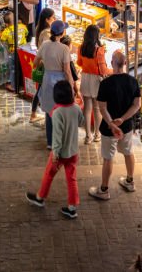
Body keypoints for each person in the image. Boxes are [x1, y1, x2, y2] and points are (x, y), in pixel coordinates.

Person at [26, 79, 84, 219]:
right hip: (73, 151)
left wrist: (55, 153)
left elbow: (57, 136)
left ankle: (40, 198)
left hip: (60, 153)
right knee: (72, 179)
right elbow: (81, 122)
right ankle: (72, 208)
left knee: (49, 174)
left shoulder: (57, 112)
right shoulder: (75, 108)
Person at [89, 49, 140, 201]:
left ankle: (104, 190)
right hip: (126, 127)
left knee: (108, 158)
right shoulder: (133, 81)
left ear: (112, 63)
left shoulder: (105, 83)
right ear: (125, 63)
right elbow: (136, 105)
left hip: (108, 129)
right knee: (128, 152)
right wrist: (122, 120)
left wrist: (112, 124)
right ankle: (130, 182)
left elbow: (102, 107)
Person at [34, 20, 78, 149]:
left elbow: (36, 62)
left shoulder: (45, 45)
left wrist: (46, 64)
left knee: (49, 112)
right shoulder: (64, 48)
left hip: (47, 80)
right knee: (60, 112)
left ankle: (50, 143)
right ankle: (60, 142)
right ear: (62, 33)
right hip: (60, 82)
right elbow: (67, 70)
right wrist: (71, 86)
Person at [77, 24, 108, 143]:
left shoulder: (81, 48)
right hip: (96, 80)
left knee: (87, 107)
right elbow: (103, 70)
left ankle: (88, 136)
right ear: (96, 36)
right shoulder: (99, 50)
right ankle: (97, 134)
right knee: (97, 108)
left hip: (85, 78)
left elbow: (79, 63)